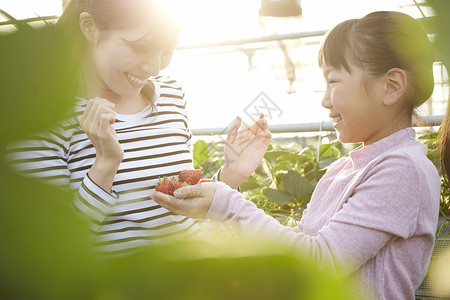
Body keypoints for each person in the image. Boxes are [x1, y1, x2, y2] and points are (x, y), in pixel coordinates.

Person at [151, 11, 441, 299]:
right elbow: (294, 252)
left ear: (390, 87)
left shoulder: (403, 170)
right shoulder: (343, 170)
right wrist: (232, 178)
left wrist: (226, 202)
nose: (325, 100)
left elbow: (318, 263)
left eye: (334, 82)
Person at [6, 0, 271, 255]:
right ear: (89, 27)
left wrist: (229, 177)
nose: (154, 67)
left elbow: (178, 210)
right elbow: (51, 250)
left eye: (166, 51)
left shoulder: (170, 95)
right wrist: (105, 165)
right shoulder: (41, 118)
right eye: (141, 47)